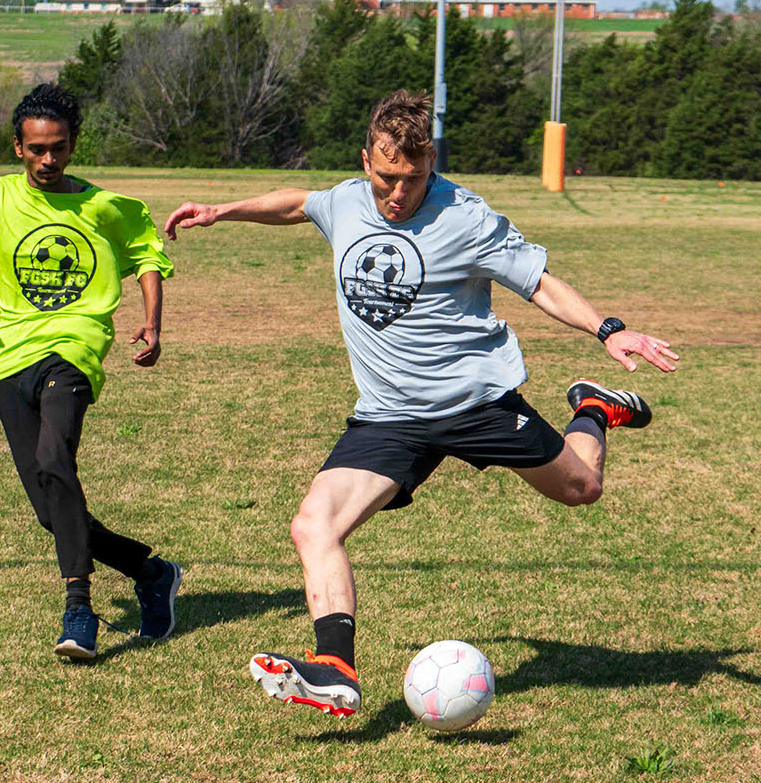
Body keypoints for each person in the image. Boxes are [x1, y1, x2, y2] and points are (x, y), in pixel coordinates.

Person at [161, 90, 681, 719]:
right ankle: (336, 666)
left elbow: (538, 283)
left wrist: (608, 329)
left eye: (414, 178)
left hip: (475, 403)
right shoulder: (347, 201)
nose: (399, 194)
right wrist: (224, 209)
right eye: (386, 178)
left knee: (582, 489)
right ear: (365, 161)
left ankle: (594, 409)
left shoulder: (466, 215)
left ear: (430, 163)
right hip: (389, 416)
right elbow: (300, 203)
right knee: (313, 525)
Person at [0, 83, 183, 662]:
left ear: (73, 144)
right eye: (36, 150)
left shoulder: (105, 206)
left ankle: (79, 607)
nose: (48, 160)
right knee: (52, 510)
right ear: (17, 147)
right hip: (10, 360)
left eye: (58, 148)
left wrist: (153, 323)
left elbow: (148, 256)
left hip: (73, 352)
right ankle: (150, 572)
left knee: (57, 464)